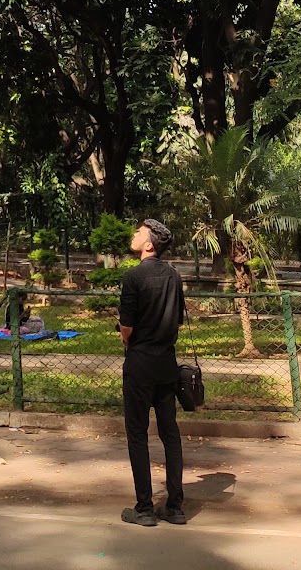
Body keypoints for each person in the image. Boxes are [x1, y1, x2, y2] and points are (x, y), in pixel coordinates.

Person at [118, 217, 187, 529]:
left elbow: (127, 326)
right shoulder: (174, 276)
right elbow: (179, 321)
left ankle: (144, 508)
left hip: (140, 364)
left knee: (137, 435)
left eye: (139, 231)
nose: (134, 234)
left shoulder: (133, 277)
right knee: (170, 434)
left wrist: (126, 337)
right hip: (166, 365)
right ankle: (175, 507)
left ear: (148, 245)